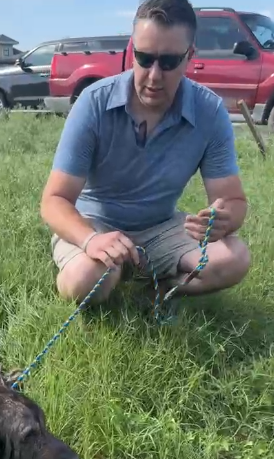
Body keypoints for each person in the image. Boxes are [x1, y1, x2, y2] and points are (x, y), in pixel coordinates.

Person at [40, 0, 250, 306]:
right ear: (131, 50)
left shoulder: (209, 112)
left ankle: (155, 294)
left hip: (161, 228)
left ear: (189, 57)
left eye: (169, 62)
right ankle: (103, 271)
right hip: (94, 223)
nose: (153, 76)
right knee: (85, 280)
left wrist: (223, 220)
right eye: (144, 58)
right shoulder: (94, 102)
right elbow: (54, 200)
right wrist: (90, 240)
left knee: (235, 258)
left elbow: (233, 201)